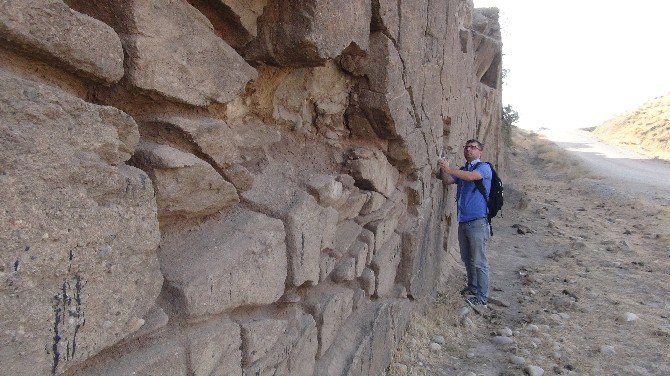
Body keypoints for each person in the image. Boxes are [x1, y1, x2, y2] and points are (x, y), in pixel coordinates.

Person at [439, 139, 492, 307]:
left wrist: (449, 168)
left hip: (478, 222)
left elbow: (471, 177)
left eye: (473, 147)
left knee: (479, 261)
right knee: (467, 258)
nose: (469, 150)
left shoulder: (484, 168)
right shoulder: (463, 170)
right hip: (463, 221)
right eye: (467, 147)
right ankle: (472, 287)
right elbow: (447, 180)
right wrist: (442, 168)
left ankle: (482, 298)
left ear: (480, 152)